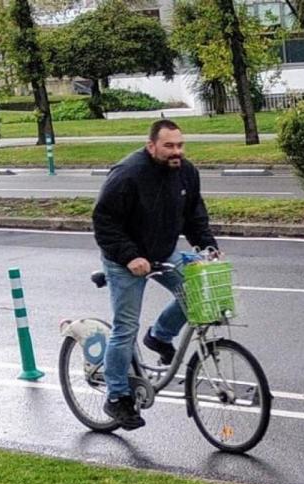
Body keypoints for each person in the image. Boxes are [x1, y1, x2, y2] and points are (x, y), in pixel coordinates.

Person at [92, 119, 218, 430]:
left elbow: (193, 214)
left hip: (162, 252)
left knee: (197, 293)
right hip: (125, 260)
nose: (177, 151)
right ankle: (117, 396)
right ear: (152, 146)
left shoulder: (186, 172)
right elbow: (104, 221)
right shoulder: (128, 174)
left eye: (180, 145)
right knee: (125, 327)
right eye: (169, 146)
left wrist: (207, 245)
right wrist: (130, 256)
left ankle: (160, 336)